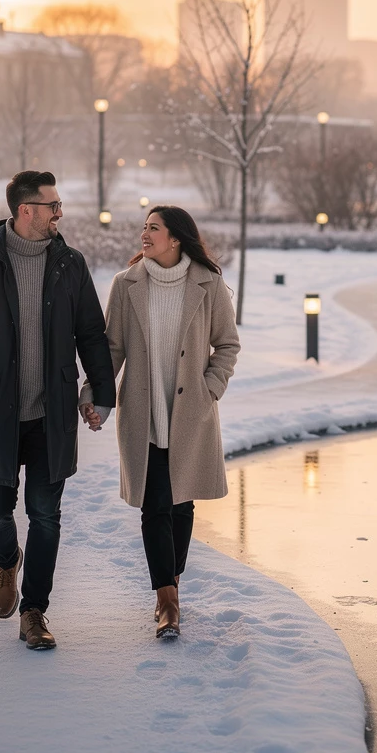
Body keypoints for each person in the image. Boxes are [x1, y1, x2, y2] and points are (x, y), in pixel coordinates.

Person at [0, 170, 115, 650]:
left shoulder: (70, 264)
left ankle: (34, 610)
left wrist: (101, 391)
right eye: (52, 205)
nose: (59, 213)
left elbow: (91, 334)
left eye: (59, 204)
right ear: (25, 211)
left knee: (46, 514)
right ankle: (5, 560)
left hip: (50, 411)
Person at [79, 205, 239, 639]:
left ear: (176, 238)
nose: (144, 234)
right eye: (144, 227)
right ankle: (167, 600)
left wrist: (210, 389)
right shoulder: (126, 284)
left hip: (191, 412)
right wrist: (94, 392)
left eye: (154, 228)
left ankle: (171, 582)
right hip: (143, 410)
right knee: (155, 504)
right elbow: (113, 350)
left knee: (181, 504)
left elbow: (227, 344)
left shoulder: (209, 284)